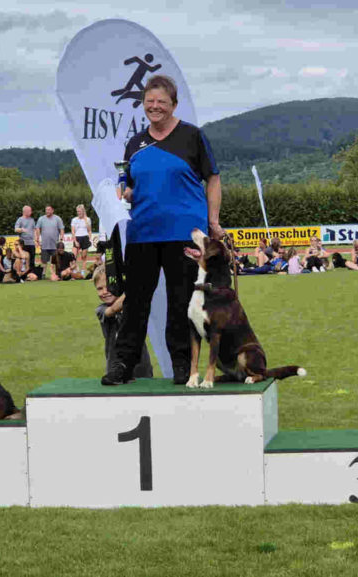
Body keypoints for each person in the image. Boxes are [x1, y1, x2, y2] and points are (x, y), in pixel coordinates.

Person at [103, 74, 222, 386]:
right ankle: (123, 364)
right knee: (135, 302)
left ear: (174, 105)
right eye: (149, 102)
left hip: (184, 233)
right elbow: (127, 185)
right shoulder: (134, 144)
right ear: (143, 104)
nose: (155, 107)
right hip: (142, 233)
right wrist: (124, 194)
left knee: (181, 301)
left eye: (162, 103)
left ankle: (183, 366)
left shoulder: (193, 137)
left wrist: (214, 221)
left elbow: (213, 178)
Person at [93, 263, 152, 380]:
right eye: (100, 288)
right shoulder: (101, 310)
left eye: (109, 286)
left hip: (141, 364)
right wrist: (134, 286)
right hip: (115, 365)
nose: (105, 291)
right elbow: (113, 309)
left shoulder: (133, 304)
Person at [36, 205, 64, 281]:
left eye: (48, 210)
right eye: (46, 210)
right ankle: (43, 274)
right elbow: (37, 228)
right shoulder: (41, 219)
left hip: (55, 244)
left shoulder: (57, 218)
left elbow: (61, 229)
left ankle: (57, 274)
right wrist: (37, 238)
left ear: (52, 210)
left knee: (56, 260)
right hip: (45, 244)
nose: (47, 211)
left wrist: (61, 238)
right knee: (44, 261)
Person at [14, 206, 37, 272]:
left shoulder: (32, 220)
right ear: (25, 211)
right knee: (24, 259)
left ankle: (32, 273)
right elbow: (16, 229)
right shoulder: (20, 219)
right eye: (30, 211)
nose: (31, 212)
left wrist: (36, 240)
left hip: (31, 243)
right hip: (23, 243)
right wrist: (22, 229)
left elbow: (34, 230)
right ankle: (23, 273)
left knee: (32, 259)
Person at [71, 204, 93, 275]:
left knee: (83, 256)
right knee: (73, 256)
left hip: (85, 238)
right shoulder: (74, 220)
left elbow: (89, 230)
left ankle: (83, 271)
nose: (78, 213)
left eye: (80, 211)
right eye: (77, 211)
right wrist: (75, 241)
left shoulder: (88, 219)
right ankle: (75, 270)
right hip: (77, 238)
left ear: (83, 211)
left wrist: (89, 238)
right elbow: (73, 231)